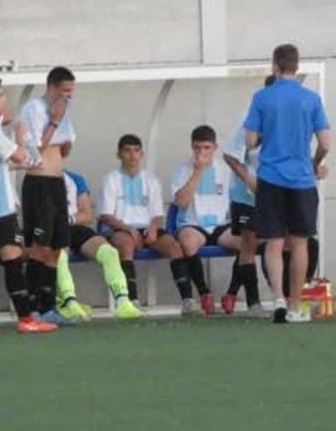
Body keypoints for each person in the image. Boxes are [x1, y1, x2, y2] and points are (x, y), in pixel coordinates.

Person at [244, 43, 332, 324]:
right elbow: (326, 143)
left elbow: (249, 141)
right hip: (302, 179)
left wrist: (264, 137)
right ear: (297, 66)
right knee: (300, 243)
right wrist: (313, 162)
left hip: (270, 178)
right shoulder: (312, 99)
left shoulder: (262, 97)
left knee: (273, 242)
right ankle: (296, 306)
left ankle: (278, 299)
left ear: (275, 66)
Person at [0, 76, 57, 334]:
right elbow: (18, 155)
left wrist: (24, 159)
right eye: (2, 96)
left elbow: (4, 163)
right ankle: (26, 318)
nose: (5, 101)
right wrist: (22, 138)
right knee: (13, 259)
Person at [15, 66, 88, 322]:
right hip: (39, 185)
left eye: (72, 91)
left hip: (57, 183)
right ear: (52, 87)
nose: (69, 96)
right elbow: (34, 148)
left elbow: (63, 149)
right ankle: (31, 306)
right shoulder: (33, 109)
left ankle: (48, 306)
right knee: (40, 247)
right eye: (65, 91)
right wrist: (54, 120)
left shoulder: (65, 111)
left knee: (58, 248)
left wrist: (64, 138)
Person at [98, 134, 186, 309]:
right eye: (127, 151)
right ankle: (132, 300)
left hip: (146, 228)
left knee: (174, 246)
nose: (132, 155)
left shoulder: (151, 180)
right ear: (119, 154)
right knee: (125, 245)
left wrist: (153, 228)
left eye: (136, 151)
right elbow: (105, 216)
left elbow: (158, 215)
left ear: (142, 154)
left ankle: (188, 299)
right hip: (121, 229)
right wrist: (129, 229)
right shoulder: (111, 179)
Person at [51, 169, 143, 319]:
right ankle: (70, 303)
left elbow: (87, 215)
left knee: (110, 253)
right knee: (59, 255)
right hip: (52, 230)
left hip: (74, 226)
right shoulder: (37, 176)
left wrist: (69, 220)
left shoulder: (75, 178)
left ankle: (123, 302)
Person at [171, 125, 241, 316]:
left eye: (207, 148)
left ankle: (231, 293)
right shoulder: (182, 169)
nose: (202, 152)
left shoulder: (226, 170)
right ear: (192, 147)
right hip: (193, 223)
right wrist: (198, 171)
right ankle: (204, 293)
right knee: (187, 242)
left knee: (246, 243)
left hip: (220, 224)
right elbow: (181, 201)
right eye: (198, 147)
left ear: (215, 148)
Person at [221, 79, 269, 318]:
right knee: (249, 244)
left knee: (285, 241)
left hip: (272, 193)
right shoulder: (249, 121)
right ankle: (253, 303)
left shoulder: (286, 121)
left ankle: (232, 292)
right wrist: (250, 181)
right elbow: (229, 155)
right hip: (246, 196)